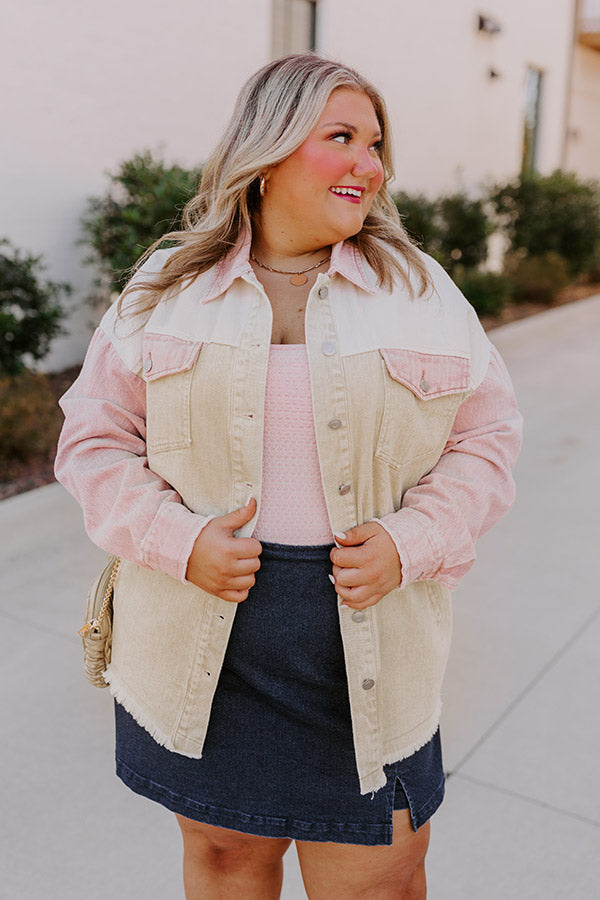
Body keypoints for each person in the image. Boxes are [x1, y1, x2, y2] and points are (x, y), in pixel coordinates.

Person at [55, 53, 522, 900]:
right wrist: (180, 539)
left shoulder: (420, 293)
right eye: (340, 137)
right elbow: (93, 440)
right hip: (204, 631)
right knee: (227, 858)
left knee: (380, 876)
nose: (369, 165)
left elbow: (489, 439)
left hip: (368, 635)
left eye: (376, 145)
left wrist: (412, 540)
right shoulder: (165, 291)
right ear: (265, 154)